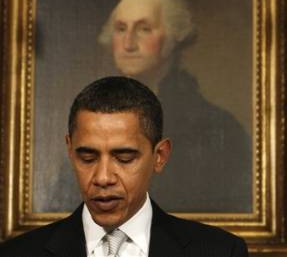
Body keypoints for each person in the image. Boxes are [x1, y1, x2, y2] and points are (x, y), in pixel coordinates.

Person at [0, 76, 249, 257]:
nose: (103, 177)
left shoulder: (221, 251)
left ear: (160, 155)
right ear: (69, 149)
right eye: (87, 157)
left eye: (124, 158)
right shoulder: (17, 253)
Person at [98, 0, 252, 212]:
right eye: (121, 29)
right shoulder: (93, 119)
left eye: (144, 29)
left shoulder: (216, 126)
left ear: (174, 37)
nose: (128, 43)